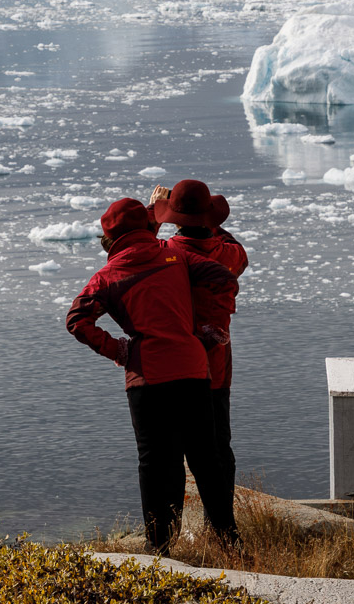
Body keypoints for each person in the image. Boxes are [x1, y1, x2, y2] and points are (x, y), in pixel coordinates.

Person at [66, 198, 239, 551]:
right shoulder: (173, 255)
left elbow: (77, 321)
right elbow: (223, 279)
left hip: (148, 377)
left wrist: (118, 350)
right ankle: (230, 542)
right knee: (206, 459)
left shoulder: (107, 277)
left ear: (109, 236)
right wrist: (210, 329)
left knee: (157, 463)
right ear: (146, 227)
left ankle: (159, 548)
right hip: (192, 368)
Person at [151, 180, 248, 497]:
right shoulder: (229, 255)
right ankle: (220, 522)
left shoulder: (164, 254)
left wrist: (153, 219)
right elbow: (237, 252)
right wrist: (209, 221)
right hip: (215, 371)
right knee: (218, 447)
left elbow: (126, 256)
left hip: (171, 367)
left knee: (169, 450)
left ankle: (168, 529)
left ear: (174, 219)